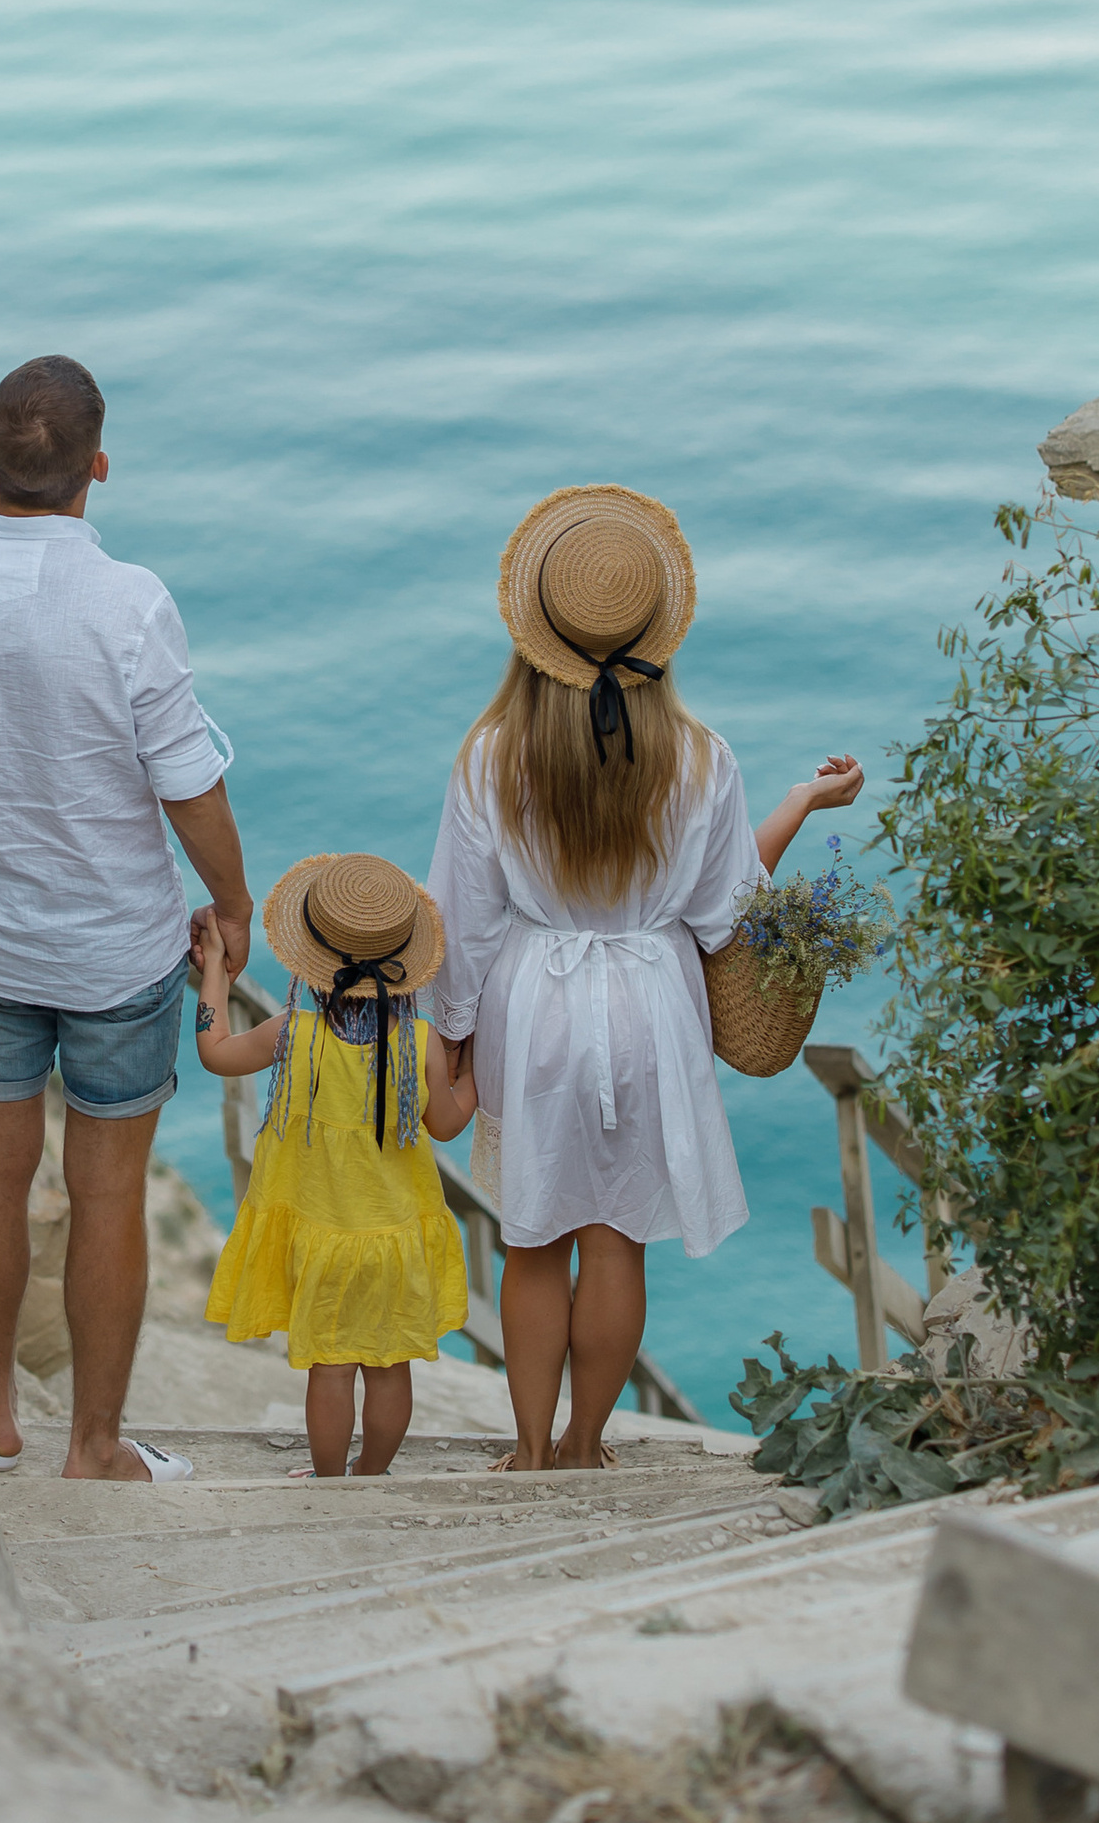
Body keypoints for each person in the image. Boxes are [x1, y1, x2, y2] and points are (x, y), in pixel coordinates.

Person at [0, 355, 253, 1484]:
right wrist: (230, 903)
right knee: (105, 1191)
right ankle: (93, 1444)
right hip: (115, 952)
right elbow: (189, 783)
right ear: (97, 468)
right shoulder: (128, 602)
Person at [424, 483, 861, 1472]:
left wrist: (450, 1031)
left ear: (536, 632)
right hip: (650, 1008)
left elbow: (467, 917)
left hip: (533, 1003)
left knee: (532, 1241)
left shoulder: (493, 758)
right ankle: (586, 1445)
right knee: (616, 1239)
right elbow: (726, 915)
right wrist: (798, 804)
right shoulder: (701, 759)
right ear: (657, 629)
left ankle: (529, 1450)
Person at [196, 853, 474, 1477]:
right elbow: (448, 1123)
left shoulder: (291, 1033)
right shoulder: (420, 1040)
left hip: (322, 1235)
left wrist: (215, 967)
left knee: (330, 1366)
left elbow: (214, 1052)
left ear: (312, 958)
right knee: (388, 1364)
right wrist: (477, 1070)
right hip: (396, 1234)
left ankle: (328, 1482)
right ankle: (371, 1475)